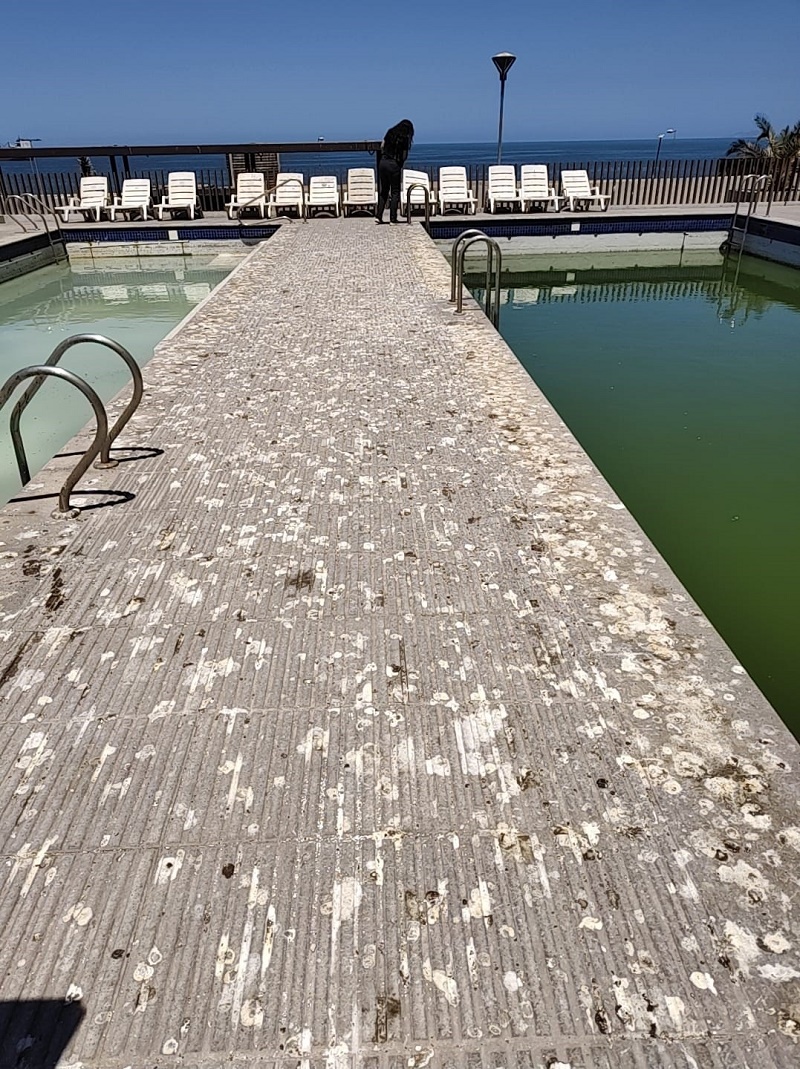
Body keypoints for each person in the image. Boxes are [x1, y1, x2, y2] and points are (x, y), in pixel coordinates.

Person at [376, 119, 414, 224]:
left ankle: (379, 216)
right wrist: (399, 164)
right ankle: (393, 219)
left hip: (383, 163)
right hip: (394, 165)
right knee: (395, 192)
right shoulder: (404, 138)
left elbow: (382, 146)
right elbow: (404, 156)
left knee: (384, 191)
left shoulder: (390, 132)